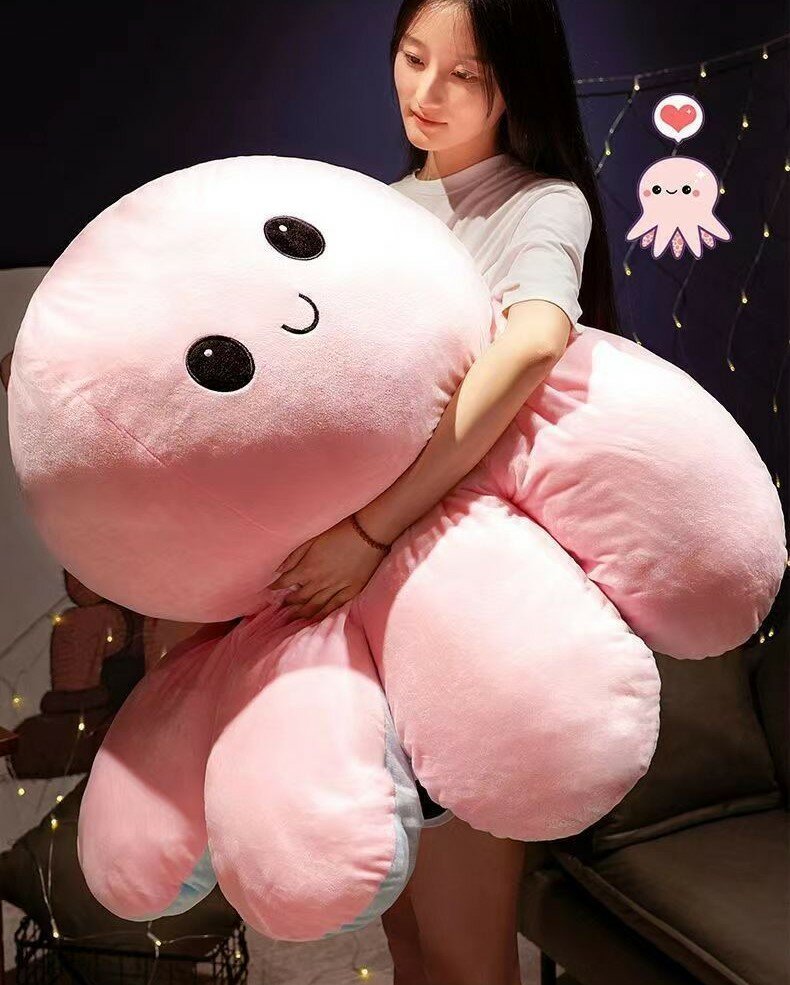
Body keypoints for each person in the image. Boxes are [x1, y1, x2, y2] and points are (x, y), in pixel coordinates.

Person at [268, 1, 620, 981]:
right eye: (413, 58)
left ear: (517, 82)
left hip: (458, 616)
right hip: (359, 620)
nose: (426, 93)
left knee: (467, 952)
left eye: (464, 74)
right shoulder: (374, 213)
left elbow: (536, 339)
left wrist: (371, 530)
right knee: (407, 937)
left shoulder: (539, 203)